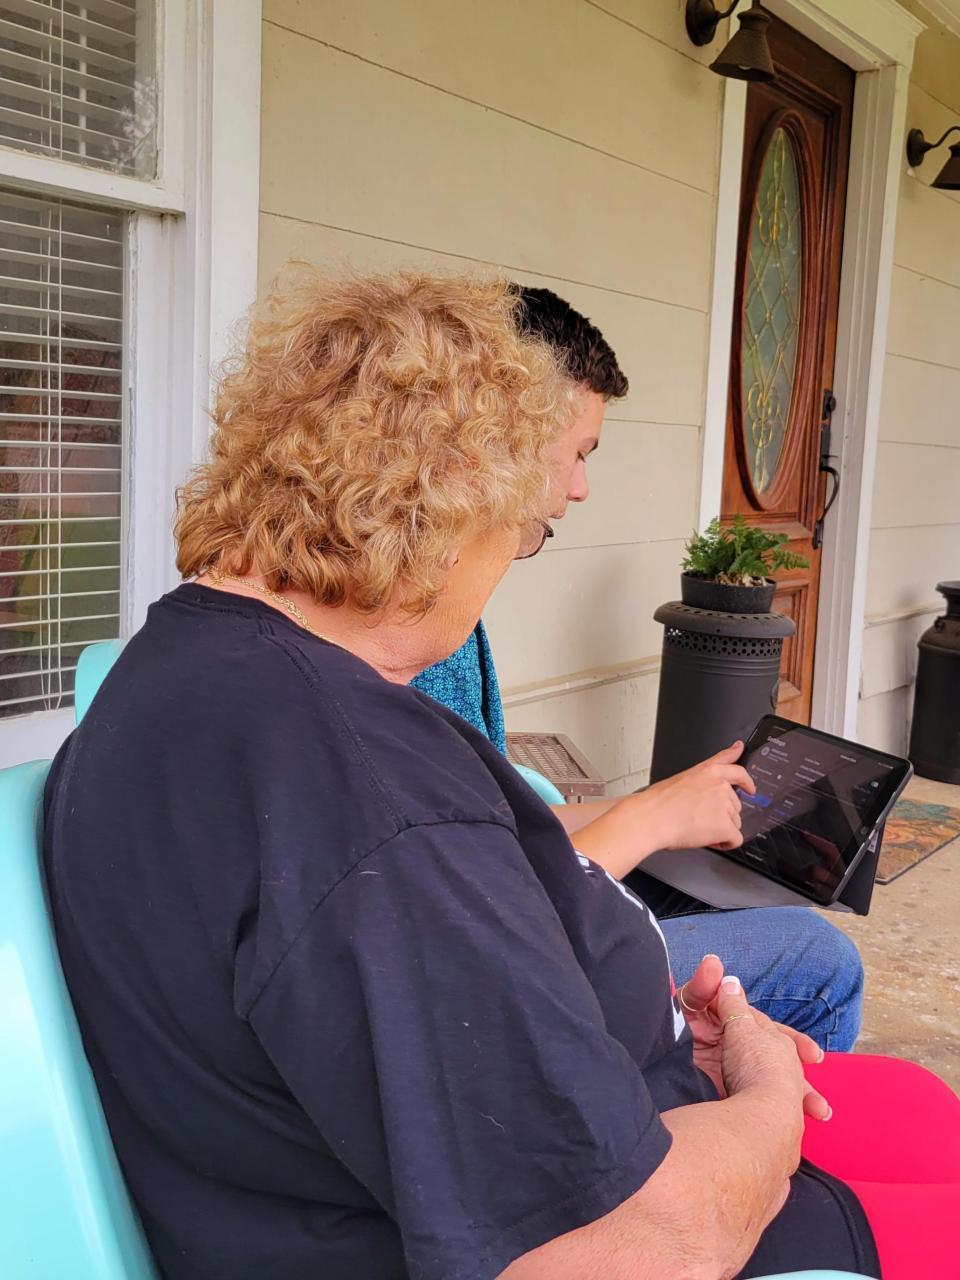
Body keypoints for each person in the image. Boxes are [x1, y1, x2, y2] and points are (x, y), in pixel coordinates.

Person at [43, 270, 960, 1280]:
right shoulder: (363, 797)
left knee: (924, 1112)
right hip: (645, 1224)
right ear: (451, 497)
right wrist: (767, 1097)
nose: (513, 553)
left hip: (546, 1131)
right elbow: (640, 1246)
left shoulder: (178, 669)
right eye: (527, 529)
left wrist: (635, 1031)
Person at [414, 285, 864, 1051]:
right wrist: (647, 820)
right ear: (504, 437)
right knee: (821, 959)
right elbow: (469, 902)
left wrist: (665, 808)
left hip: (517, 903)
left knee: (735, 897)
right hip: (496, 968)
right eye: (580, 452)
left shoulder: (446, 615)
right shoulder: (408, 632)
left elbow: (494, 826)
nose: (581, 488)